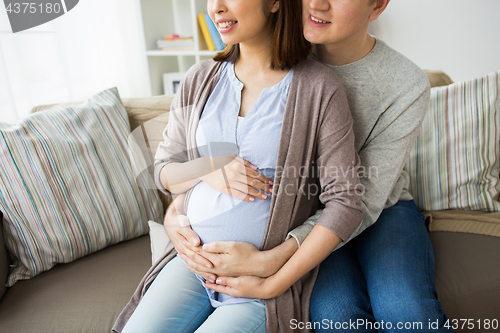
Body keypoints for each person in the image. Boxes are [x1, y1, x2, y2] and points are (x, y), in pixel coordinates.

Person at [165, 0, 453, 332]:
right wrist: (180, 208)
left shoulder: (404, 82)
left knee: (407, 312)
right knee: (338, 316)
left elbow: (361, 201)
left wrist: (274, 261)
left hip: (379, 209)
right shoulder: (273, 52)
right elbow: (223, 146)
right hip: (302, 211)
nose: (317, 3)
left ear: (377, 6)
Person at [113, 0, 364, 332]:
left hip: (256, 287)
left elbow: (345, 203)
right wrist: (206, 167)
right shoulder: (200, 78)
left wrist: (272, 281)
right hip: (191, 263)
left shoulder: (319, 88)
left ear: (274, 3)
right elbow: (163, 170)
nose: (215, 7)